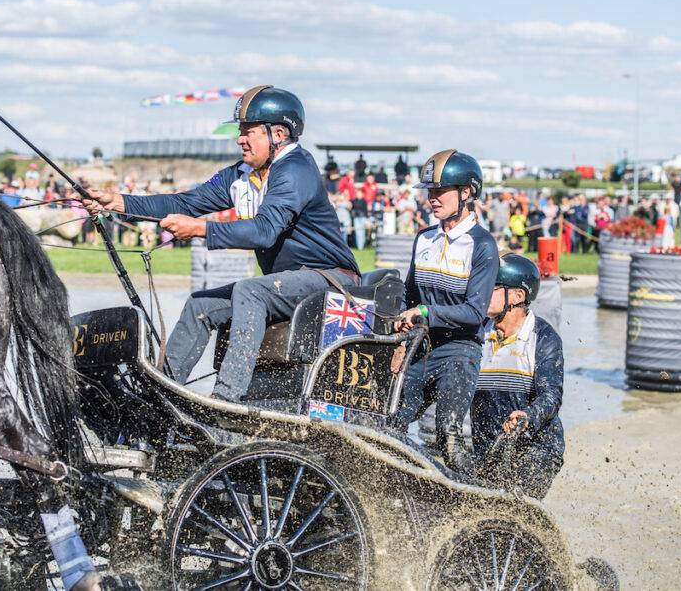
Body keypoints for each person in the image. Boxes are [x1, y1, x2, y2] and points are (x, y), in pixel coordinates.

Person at [81, 85, 359, 402]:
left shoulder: (296, 169)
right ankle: (158, 396)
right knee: (200, 305)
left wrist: (200, 229)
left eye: (248, 131)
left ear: (279, 134)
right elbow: (185, 202)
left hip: (331, 280)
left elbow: (264, 231)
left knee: (251, 291)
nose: (240, 139)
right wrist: (118, 202)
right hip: (286, 283)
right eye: (240, 131)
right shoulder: (241, 175)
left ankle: (226, 398)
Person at [390, 149, 498, 471]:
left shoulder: (482, 245)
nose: (432, 198)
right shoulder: (424, 238)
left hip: (460, 351)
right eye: (430, 192)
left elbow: (475, 313)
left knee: (448, 434)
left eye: (440, 191)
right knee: (390, 423)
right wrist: (399, 329)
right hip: (421, 347)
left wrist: (424, 312)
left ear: (466, 193)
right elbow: (409, 294)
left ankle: (472, 491)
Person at [472, 254, 564, 500]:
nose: (482, 292)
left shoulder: (543, 338)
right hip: (488, 449)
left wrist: (528, 416)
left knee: (511, 510)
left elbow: (551, 396)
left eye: (492, 287)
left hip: (537, 449)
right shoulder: (477, 333)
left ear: (517, 296)